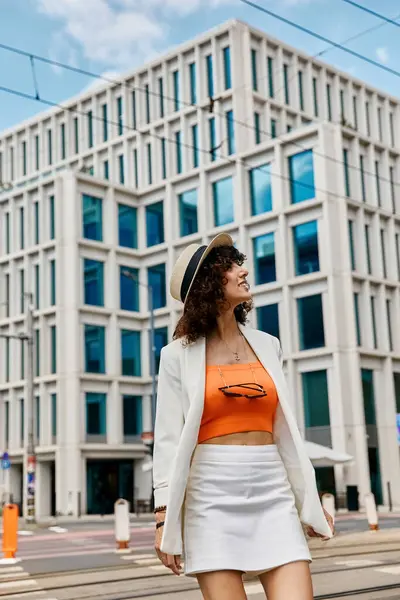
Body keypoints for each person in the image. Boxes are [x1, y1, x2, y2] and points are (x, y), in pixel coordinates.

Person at [153, 233, 334, 600]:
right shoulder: (176, 356)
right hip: (210, 497)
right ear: (207, 286)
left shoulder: (269, 344)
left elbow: (286, 432)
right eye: (232, 267)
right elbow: (168, 440)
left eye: (240, 263)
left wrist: (308, 501)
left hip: (272, 489)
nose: (244, 271)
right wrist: (163, 519)